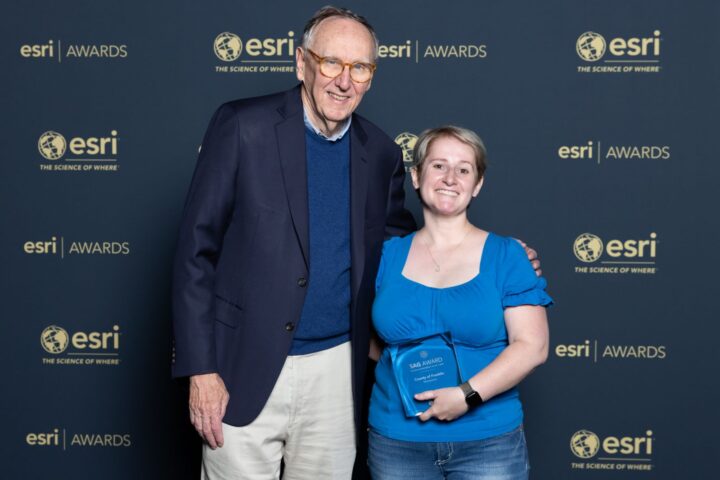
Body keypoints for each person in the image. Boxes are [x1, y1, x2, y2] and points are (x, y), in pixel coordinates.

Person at [172, 7, 414, 479]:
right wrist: (201, 370)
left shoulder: (381, 152)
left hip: (336, 372)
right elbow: (194, 254)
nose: (344, 81)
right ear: (300, 61)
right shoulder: (243, 125)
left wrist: (481, 258)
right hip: (241, 366)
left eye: (360, 68)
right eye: (331, 63)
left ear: (371, 77)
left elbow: (398, 249)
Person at [368, 126, 552, 480]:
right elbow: (370, 342)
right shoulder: (386, 256)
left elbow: (532, 346)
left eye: (464, 169)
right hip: (396, 441)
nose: (450, 178)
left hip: (488, 441)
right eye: (439, 166)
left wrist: (465, 395)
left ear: (477, 184)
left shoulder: (508, 255)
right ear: (417, 176)